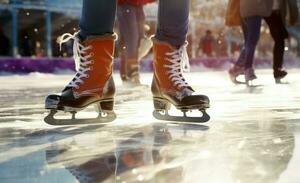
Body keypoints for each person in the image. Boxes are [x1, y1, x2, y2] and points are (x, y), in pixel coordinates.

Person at [44, 0, 210, 125]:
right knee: (130, 41)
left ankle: (165, 77)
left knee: (135, 40)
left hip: (136, 6)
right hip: (127, 5)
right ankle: (97, 76)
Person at [228, 0, 273, 85]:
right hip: (254, 10)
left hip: (243, 11)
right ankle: (247, 69)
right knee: (252, 40)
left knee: (248, 41)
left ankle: (237, 68)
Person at [117, 0, 155, 85]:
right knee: (131, 38)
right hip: (125, 4)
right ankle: (131, 73)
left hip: (139, 5)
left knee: (139, 41)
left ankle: (126, 73)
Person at [264, 0, 299, 83]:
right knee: (279, 39)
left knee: (281, 39)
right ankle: (277, 69)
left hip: (277, 13)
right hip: (270, 13)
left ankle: (277, 69)